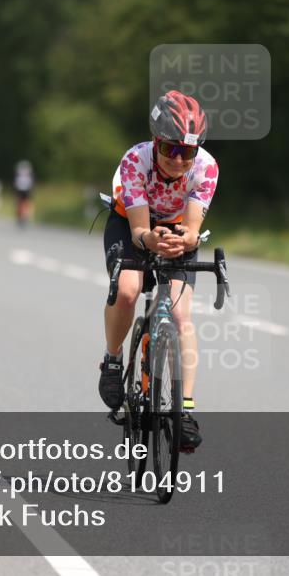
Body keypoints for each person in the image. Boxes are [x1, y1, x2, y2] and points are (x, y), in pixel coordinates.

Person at [98, 90, 219, 450]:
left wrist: (186, 240)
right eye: (171, 150)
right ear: (155, 142)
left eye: (188, 152)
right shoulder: (135, 161)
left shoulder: (206, 167)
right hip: (132, 224)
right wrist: (152, 238)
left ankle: (184, 411)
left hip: (176, 231)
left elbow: (194, 226)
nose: (180, 161)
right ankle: (112, 359)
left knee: (182, 315)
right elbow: (138, 231)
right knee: (128, 291)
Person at [13, 160, 35, 227]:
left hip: (23, 190)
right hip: (24, 190)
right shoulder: (29, 174)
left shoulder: (19, 173)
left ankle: (24, 215)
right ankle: (24, 215)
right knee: (23, 203)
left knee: (22, 203)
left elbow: (15, 183)